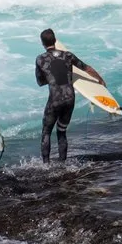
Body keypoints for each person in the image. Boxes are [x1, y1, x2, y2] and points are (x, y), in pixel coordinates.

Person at [33, 28, 101, 163]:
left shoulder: (40, 59)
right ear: (55, 40)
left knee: (46, 132)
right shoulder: (68, 56)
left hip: (55, 100)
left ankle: (46, 166)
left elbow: (40, 82)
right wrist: (100, 81)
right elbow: (87, 68)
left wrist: (51, 76)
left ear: (42, 43)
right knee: (61, 131)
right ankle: (62, 163)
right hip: (70, 99)